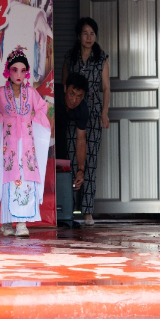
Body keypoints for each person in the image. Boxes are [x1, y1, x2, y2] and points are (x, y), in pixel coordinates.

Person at [0, 47, 51, 237]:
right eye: (15, 70)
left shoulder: (30, 92)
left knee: (26, 180)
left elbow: (42, 108)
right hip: (8, 146)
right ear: (8, 70)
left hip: (27, 147)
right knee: (8, 180)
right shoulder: (0, 92)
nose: (19, 74)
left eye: (23, 70)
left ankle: (22, 223)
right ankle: (7, 222)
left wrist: (32, 118)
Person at [62, 17, 110, 225]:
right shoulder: (70, 57)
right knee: (72, 159)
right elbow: (64, 85)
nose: (89, 37)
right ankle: (70, 208)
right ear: (78, 36)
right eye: (85, 33)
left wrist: (104, 113)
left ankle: (88, 211)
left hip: (94, 114)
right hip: (73, 114)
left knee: (90, 162)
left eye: (92, 33)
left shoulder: (101, 58)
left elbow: (106, 88)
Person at [54, 73, 90, 209]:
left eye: (79, 96)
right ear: (65, 88)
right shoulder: (53, 94)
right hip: (43, 130)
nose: (74, 100)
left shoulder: (83, 108)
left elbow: (81, 139)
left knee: (62, 160)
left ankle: (60, 210)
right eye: (72, 94)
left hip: (61, 132)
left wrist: (81, 169)